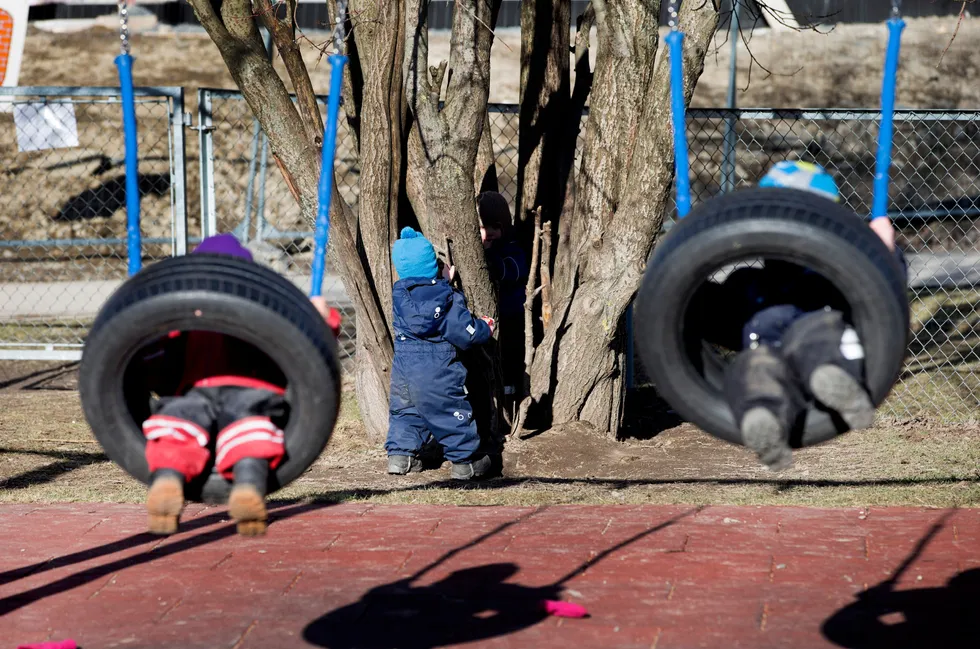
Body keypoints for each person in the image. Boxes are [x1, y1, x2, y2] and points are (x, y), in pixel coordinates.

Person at [691, 161, 908, 471]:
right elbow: (710, 310)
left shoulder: (831, 273)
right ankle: (766, 420)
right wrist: (683, 275)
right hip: (791, 336)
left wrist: (885, 250)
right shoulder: (752, 283)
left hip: (781, 337)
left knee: (766, 364)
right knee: (770, 363)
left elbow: (883, 294)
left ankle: (822, 385)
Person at [140, 233, 341, 537]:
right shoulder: (264, 313)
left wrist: (139, 327)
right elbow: (304, 342)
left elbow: (153, 360)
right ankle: (248, 488)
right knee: (250, 436)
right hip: (249, 392)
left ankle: (168, 480)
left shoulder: (183, 317)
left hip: (196, 391)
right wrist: (325, 318)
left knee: (176, 430)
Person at [386, 227, 496, 480]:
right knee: (449, 411)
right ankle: (466, 462)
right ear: (433, 267)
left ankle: (400, 458)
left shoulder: (399, 295)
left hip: (404, 369)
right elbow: (465, 334)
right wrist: (485, 328)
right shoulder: (446, 297)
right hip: (437, 368)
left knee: (406, 412)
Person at [477, 191, 529, 403]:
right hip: (488, 319)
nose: (488, 233)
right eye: (482, 228)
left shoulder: (512, 249)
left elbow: (511, 273)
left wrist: (490, 255)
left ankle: (510, 399)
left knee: (510, 359)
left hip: (511, 316)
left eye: (494, 227)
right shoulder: (478, 249)